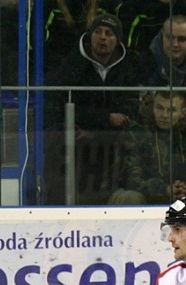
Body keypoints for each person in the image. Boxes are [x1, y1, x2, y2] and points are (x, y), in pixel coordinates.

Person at [45, 13, 142, 204]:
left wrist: (99, 128)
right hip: (79, 134)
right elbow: (60, 105)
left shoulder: (128, 65)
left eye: (108, 33)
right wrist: (104, 118)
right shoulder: (73, 64)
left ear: (118, 40)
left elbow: (129, 108)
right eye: (97, 32)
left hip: (110, 137)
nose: (102, 37)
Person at [110, 91, 186, 205]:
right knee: (132, 197)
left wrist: (183, 189)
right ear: (153, 109)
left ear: (183, 112)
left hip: (180, 196)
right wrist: (164, 189)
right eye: (159, 108)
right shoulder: (137, 133)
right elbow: (130, 179)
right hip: (141, 194)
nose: (164, 115)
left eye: (171, 110)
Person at [139, 14, 186, 88]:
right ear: (162, 37)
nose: (175, 44)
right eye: (170, 38)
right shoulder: (141, 66)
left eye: (182, 39)